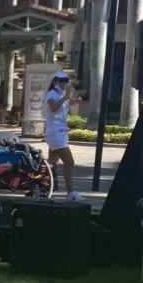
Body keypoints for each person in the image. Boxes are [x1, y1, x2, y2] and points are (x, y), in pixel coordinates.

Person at [45, 71, 83, 201]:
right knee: (69, 162)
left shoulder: (60, 94)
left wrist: (73, 101)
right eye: (61, 81)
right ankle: (70, 192)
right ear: (55, 81)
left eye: (66, 81)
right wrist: (66, 97)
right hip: (55, 133)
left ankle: (45, 188)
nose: (64, 83)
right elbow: (54, 108)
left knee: (51, 163)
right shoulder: (52, 94)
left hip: (59, 133)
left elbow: (63, 106)